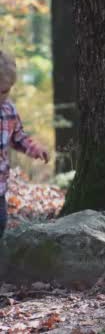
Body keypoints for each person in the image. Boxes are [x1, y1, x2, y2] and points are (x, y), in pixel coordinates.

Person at [0, 50, 49, 239]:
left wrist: (35, 149)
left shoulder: (9, 110)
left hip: (1, 186)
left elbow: (18, 137)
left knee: (1, 223)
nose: (3, 96)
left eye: (6, 91)